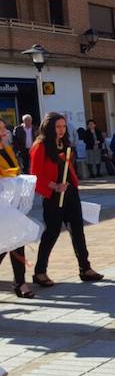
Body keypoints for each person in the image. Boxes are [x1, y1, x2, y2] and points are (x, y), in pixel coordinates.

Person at [30, 112, 105, 287]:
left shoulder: (64, 144)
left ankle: (85, 268)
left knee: (78, 229)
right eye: (58, 127)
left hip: (70, 192)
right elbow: (35, 175)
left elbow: (67, 166)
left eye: (63, 126)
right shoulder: (40, 146)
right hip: (53, 195)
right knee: (52, 232)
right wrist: (54, 186)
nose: (61, 130)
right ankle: (40, 272)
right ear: (49, 127)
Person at [0, 117, 40, 298]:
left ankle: (20, 283)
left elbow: (14, 170)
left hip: (10, 203)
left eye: (4, 129)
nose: (4, 132)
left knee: (17, 241)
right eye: (0, 129)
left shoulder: (7, 149)